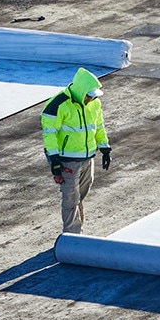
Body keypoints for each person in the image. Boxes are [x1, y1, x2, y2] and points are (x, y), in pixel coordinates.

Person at [41, 68, 112, 234]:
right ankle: (72, 236)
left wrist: (104, 147)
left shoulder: (94, 103)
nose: (92, 98)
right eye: (89, 95)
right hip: (67, 161)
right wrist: (55, 160)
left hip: (88, 158)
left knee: (80, 195)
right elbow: (49, 134)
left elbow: (99, 126)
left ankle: (77, 230)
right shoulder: (57, 105)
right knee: (70, 198)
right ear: (80, 91)